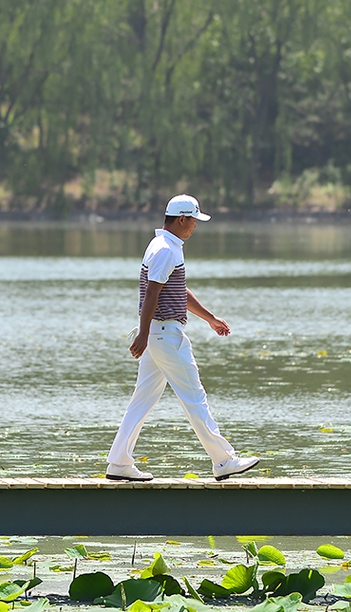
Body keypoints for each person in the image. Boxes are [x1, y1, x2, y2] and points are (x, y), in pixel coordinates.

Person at [106, 194, 259, 482]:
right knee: (194, 398)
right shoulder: (166, 249)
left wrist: (210, 318)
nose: (196, 227)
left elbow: (176, 291)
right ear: (181, 219)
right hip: (165, 334)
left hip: (158, 334)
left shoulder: (165, 245)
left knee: (142, 400)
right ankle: (224, 460)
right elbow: (152, 293)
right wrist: (142, 332)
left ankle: (118, 462)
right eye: (194, 221)